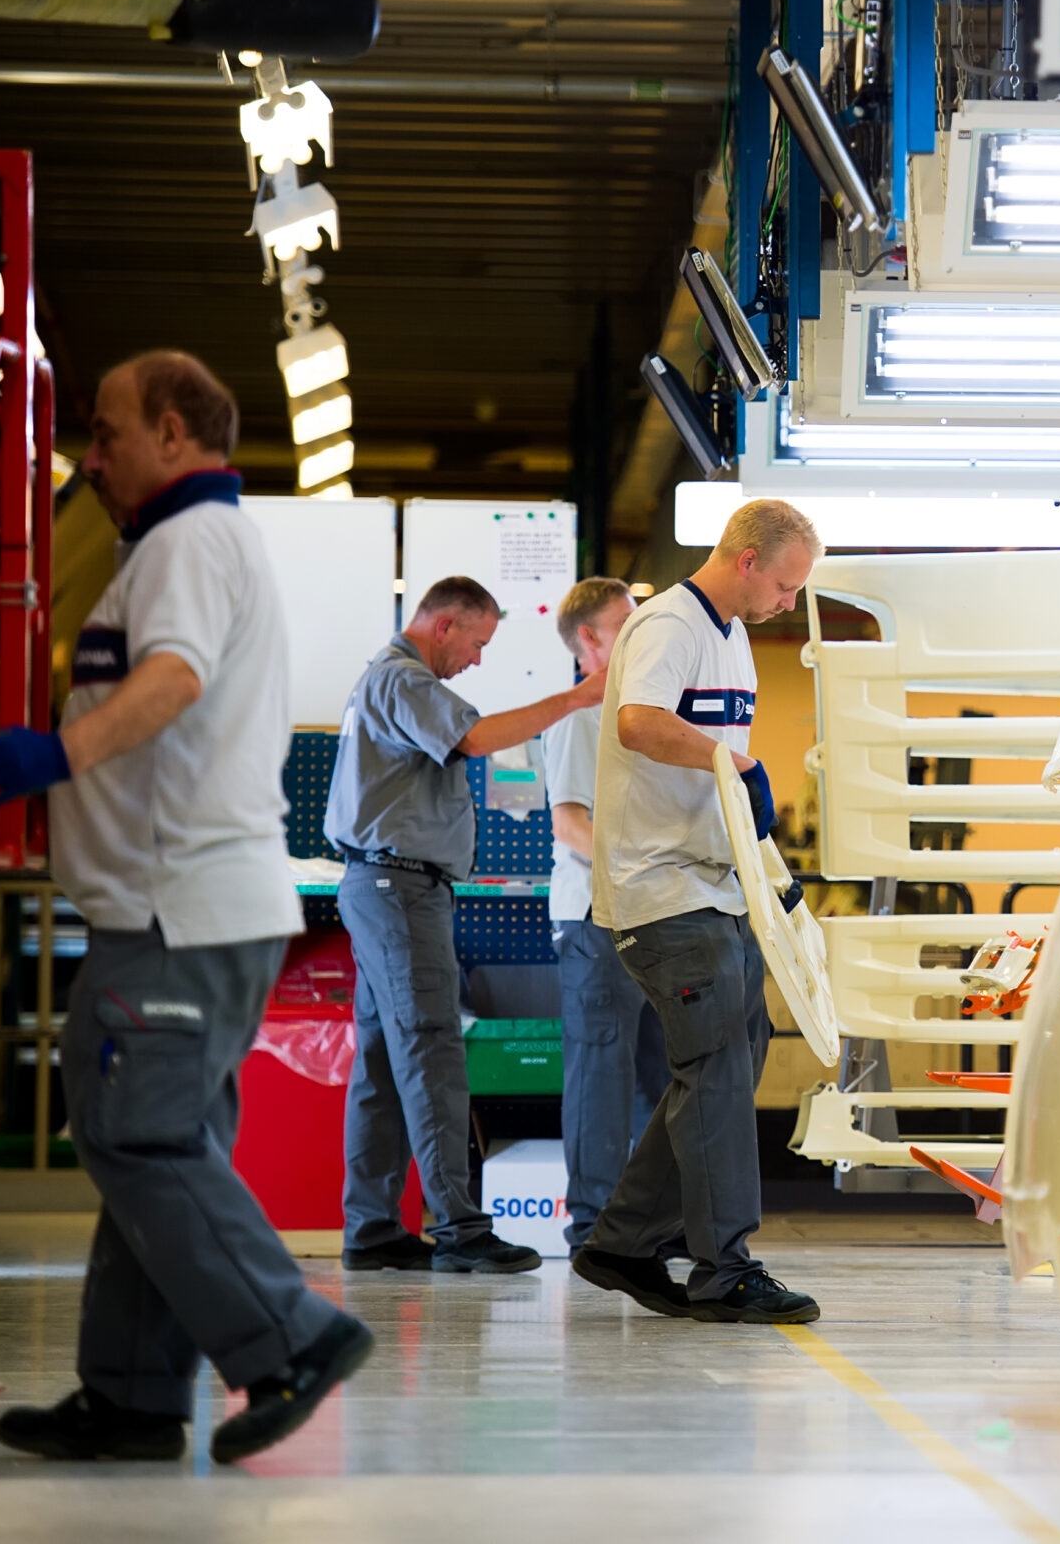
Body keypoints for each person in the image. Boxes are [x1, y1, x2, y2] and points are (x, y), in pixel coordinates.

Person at [0, 351, 371, 1465]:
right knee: (151, 1139)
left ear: (178, 432)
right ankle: (136, 1398)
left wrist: (55, 756)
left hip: (173, 909)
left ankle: (292, 1336)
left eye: (108, 432)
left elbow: (175, 680)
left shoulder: (190, 541)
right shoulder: (175, 544)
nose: (91, 458)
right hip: (184, 904)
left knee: (136, 1134)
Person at [571, 499, 823, 1325]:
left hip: (714, 884)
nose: (789, 603)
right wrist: (731, 758)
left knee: (735, 1054)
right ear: (748, 560)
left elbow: (711, 769)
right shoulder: (669, 624)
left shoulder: (734, 638)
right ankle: (724, 1271)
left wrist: (766, 865)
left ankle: (625, 1240)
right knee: (714, 1064)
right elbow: (641, 722)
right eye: (786, 585)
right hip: (660, 888)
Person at [326, 575, 606, 1274]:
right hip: (399, 889)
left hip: (383, 885)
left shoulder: (385, 681)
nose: (477, 659)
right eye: (478, 643)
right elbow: (475, 738)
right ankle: (458, 1228)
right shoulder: (403, 677)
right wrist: (575, 698)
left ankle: (372, 1227)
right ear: (444, 624)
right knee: (431, 1050)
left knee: (387, 1063)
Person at [542, 576, 665, 1253]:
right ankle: (592, 1226)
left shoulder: (637, 710)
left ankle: (645, 1223)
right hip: (595, 917)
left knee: (656, 1073)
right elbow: (569, 823)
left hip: (647, 913)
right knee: (601, 1072)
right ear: (590, 638)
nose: (643, 632)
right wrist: (638, 871)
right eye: (628, 623)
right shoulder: (576, 715)